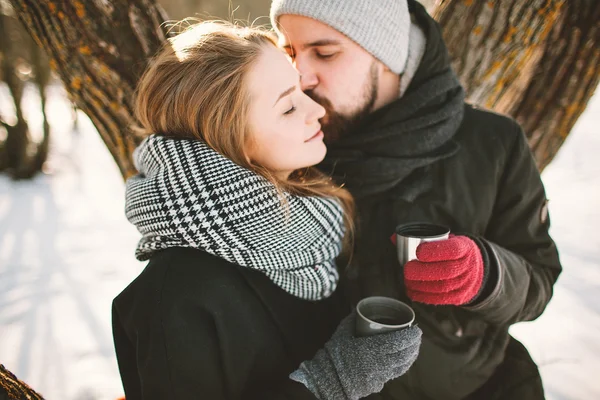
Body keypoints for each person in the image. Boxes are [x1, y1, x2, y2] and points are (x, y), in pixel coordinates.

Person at [112, 21, 422, 400]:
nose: (316, 109)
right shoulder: (174, 297)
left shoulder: (310, 231)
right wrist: (326, 385)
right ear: (229, 139)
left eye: (300, 90)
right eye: (289, 106)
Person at [269, 0, 562, 399]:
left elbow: (539, 279)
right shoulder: (290, 148)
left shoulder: (493, 143)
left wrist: (485, 274)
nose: (301, 77)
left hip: (478, 388)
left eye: (324, 52)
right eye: (290, 53)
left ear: (388, 54)